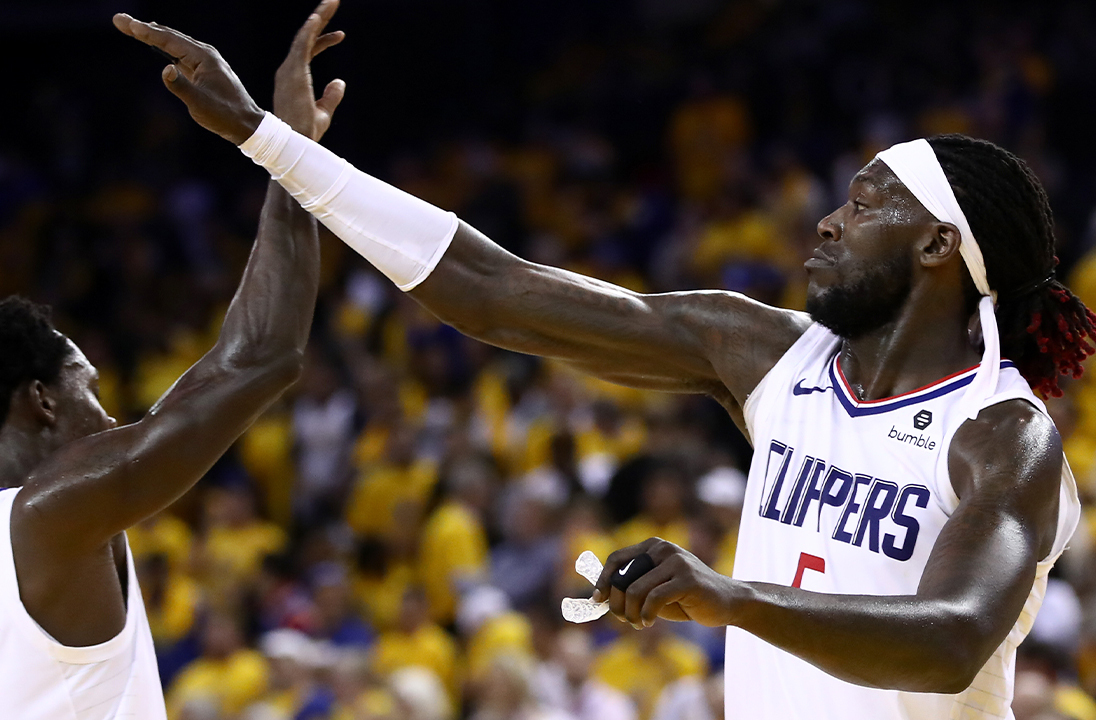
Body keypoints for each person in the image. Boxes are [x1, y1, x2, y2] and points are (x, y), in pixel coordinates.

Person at [115, 3, 1091, 717]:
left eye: (868, 201)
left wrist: (724, 596)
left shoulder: (1001, 435)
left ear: (935, 249)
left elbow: (953, 639)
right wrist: (271, 144)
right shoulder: (765, 353)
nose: (830, 221)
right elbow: (490, 292)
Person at [0, 7, 348, 718]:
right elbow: (264, 357)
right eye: (87, 386)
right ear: (40, 399)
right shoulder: (51, 517)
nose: (112, 413)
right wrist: (283, 149)